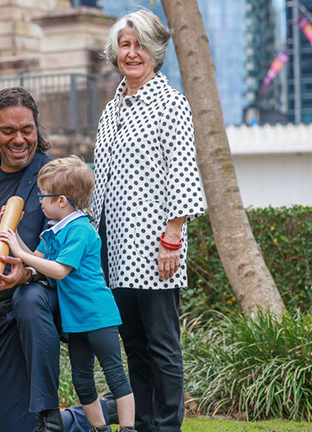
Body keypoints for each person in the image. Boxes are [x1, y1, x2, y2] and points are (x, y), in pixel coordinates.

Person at [0, 88, 101, 432]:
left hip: (47, 302)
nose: (19, 140)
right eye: (8, 131)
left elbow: (77, 246)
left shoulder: (58, 174)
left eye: (27, 130)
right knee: (18, 427)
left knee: (29, 296)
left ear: (37, 127)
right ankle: (91, 416)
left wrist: (31, 272)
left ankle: (49, 413)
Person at [91, 9, 206, 432]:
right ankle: (141, 423)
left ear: (155, 51)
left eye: (140, 44)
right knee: (134, 344)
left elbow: (183, 172)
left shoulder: (171, 103)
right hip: (114, 246)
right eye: (125, 45)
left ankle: (167, 425)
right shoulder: (111, 109)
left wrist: (172, 238)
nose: (132, 53)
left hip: (156, 246)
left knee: (162, 345)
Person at [0, 155, 136, 432]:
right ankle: (100, 428)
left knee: (114, 375)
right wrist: (13, 233)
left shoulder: (80, 230)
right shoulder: (55, 230)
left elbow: (59, 270)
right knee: (82, 380)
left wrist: (18, 251)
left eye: (43, 196)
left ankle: (128, 428)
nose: (39, 201)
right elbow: (35, 259)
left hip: (98, 315)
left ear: (61, 200)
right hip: (75, 319)